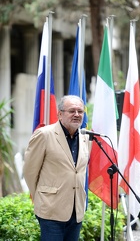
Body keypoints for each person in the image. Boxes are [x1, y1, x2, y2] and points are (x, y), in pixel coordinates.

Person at [23, 95, 91, 241]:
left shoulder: (85, 137)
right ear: (60, 114)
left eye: (80, 111)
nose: (77, 115)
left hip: (76, 210)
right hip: (51, 209)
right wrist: (42, 197)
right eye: (72, 111)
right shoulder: (44, 135)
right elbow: (29, 171)